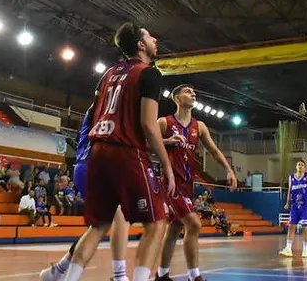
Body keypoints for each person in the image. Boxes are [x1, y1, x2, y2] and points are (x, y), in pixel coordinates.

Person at [62, 22, 175, 281]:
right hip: (125, 152)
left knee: (98, 226)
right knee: (157, 222)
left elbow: (94, 114)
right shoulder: (149, 73)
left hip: (98, 151)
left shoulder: (108, 74)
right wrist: (166, 163)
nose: (155, 39)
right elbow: (148, 124)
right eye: (150, 36)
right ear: (140, 44)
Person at [39, 103, 133, 281]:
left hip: (89, 167)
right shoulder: (108, 107)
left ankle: (59, 270)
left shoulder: (106, 106)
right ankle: (119, 276)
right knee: (118, 216)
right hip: (94, 166)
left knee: (99, 226)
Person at [155, 84, 238, 281]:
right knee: (194, 224)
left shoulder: (199, 126)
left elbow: (214, 151)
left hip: (188, 182)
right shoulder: (164, 122)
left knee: (175, 228)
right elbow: (145, 142)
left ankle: (161, 275)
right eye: (187, 91)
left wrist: (229, 170)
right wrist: (167, 142)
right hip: (170, 181)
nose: (193, 94)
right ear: (177, 98)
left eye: (194, 92)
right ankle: (195, 276)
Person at [279, 160, 307, 258]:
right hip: (294, 206)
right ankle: (288, 249)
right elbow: (289, 191)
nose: (300, 166)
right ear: (296, 167)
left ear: (305, 168)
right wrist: (287, 202)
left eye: (302, 165)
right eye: (299, 165)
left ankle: (305, 250)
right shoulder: (291, 178)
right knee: (291, 227)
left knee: (305, 228)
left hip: (305, 205)